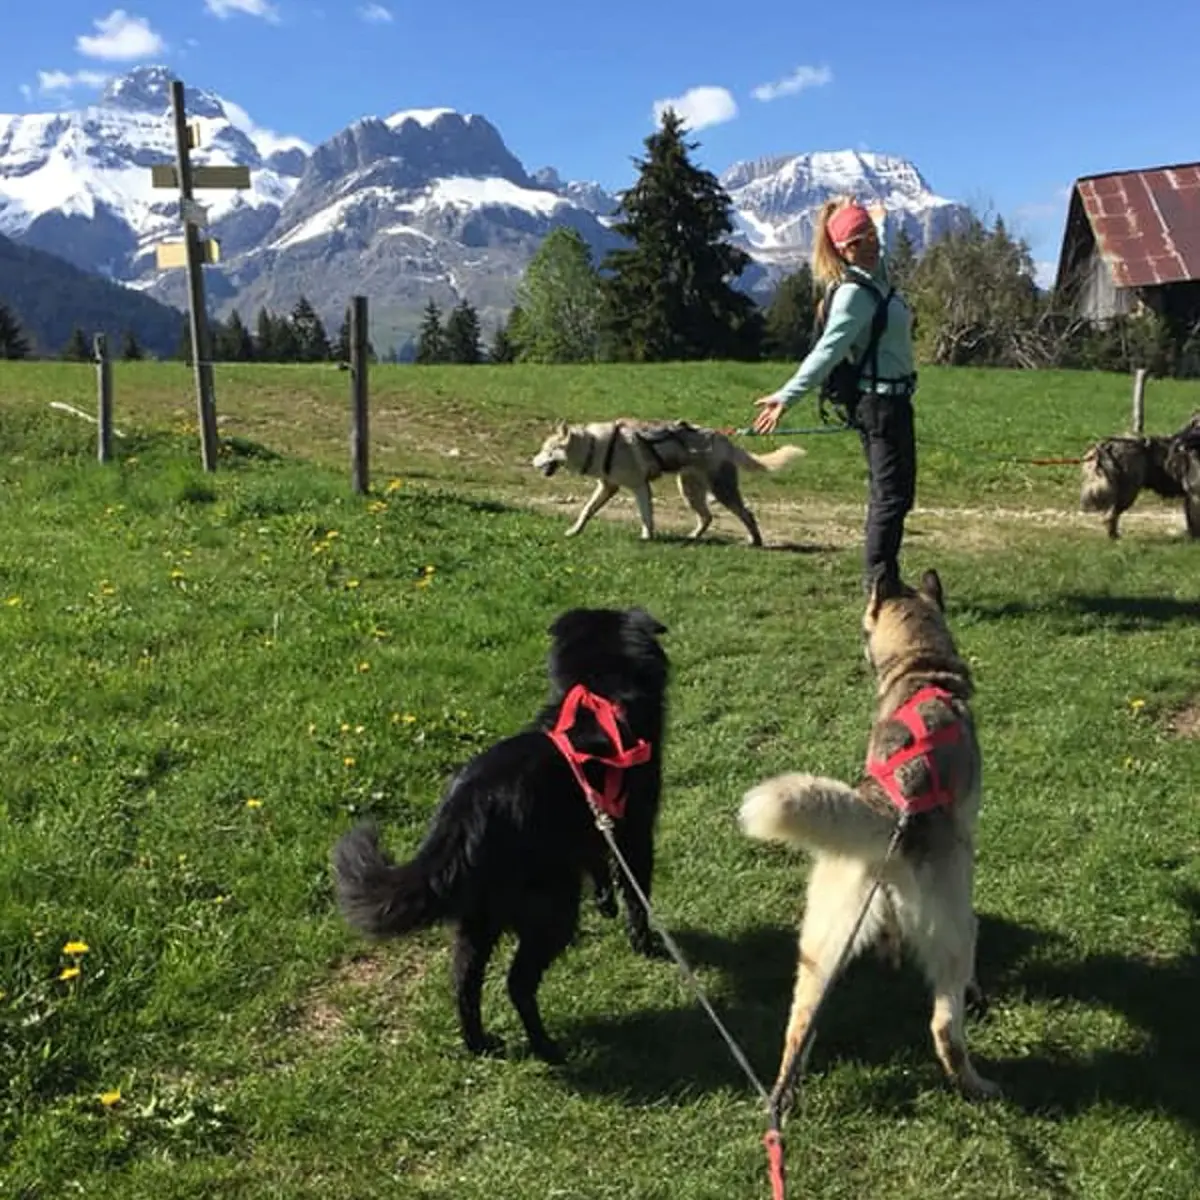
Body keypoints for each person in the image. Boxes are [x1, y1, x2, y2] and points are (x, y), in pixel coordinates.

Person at [752, 197, 918, 590]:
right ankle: (880, 585)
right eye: (863, 239)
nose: (874, 243)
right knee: (890, 497)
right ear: (846, 250)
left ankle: (884, 579)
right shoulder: (853, 295)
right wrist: (786, 397)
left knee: (898, 495)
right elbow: (826, 352)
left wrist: (876, 217)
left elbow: (883, 240)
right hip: (879, 406)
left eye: (874, 236)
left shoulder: (877, 275)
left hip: (895, 401)